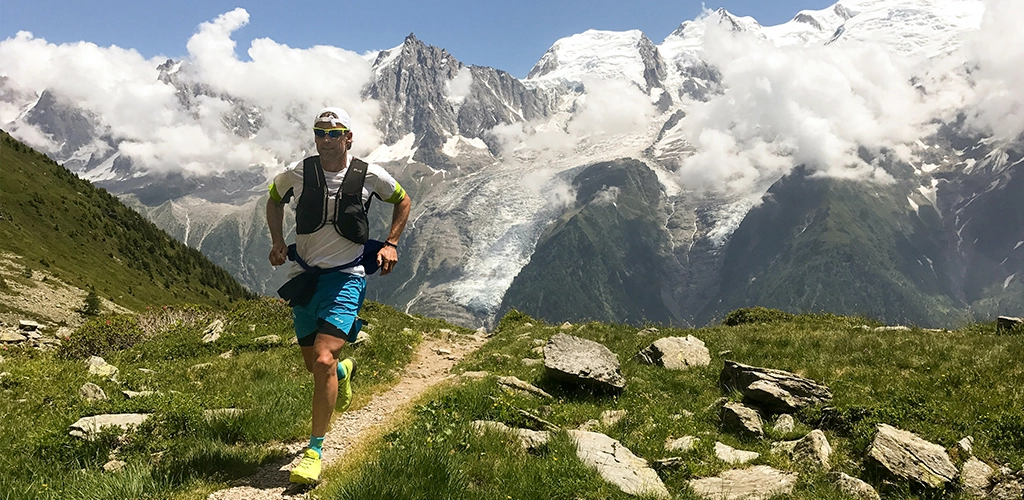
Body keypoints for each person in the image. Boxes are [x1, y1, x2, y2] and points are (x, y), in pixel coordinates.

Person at [266, 107, 411, 484]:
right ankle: (344, 373)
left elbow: (403, 200)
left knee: (324, 358)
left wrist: (391, 243)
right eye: (320, 132)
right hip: (305, 276)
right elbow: (273, 198)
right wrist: (278, 241)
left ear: (349, 137)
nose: (326, 139)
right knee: (314, 367)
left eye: (334, 133)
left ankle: (314, 451)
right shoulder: (299, 173)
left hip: (346, 277)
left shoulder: (370, 175)